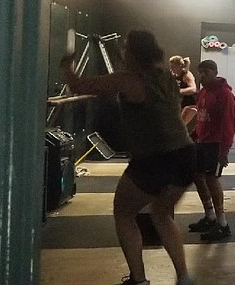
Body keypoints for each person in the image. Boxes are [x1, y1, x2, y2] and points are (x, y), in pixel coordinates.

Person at [60, 30, 194, 285]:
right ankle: (184, 277)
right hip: (185, 155)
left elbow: (80, 86)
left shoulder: (129, 80)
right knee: (161, 214)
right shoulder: (166, 75)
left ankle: (139, 280)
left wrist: (66, 65)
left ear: (133, 52)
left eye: (125, 47)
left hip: (155, 158)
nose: (122, 51)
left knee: (123, 212)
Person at [187, 60, 235, 241]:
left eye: (206, 72)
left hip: (215, 145)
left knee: (211, 179)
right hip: (202, 142)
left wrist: (224, 151)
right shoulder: (203, 92)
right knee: (198, 176)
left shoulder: (225, 95)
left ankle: (222, 224)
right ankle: (210, 216)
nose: (202, 76)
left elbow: (229, 124)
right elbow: (201, 118)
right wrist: (193, 135)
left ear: (215, 72)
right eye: (200, 73)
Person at [169, 56, 197, 126]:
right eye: (171, 66)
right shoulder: (174, 75)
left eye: (173, 66)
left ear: (179, 66)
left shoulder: (186, 75)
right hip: (181, 105)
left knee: (179, 126)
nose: (171, 68)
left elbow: (193, 89)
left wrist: (178, 92)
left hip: (190, 105)